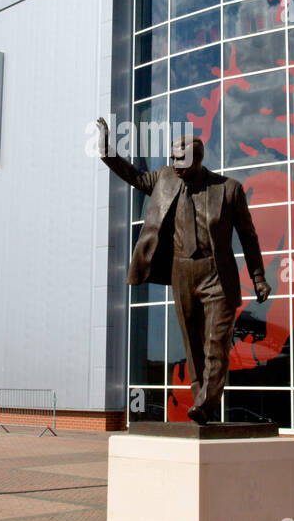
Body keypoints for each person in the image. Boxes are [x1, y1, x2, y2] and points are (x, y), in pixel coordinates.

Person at [97, 118, 270, 423]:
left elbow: (249, 236)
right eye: (172, 158)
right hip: (182, 272)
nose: (175, 164)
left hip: (217, 274)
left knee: (216, 344)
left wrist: (257, 277)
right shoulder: (165, 179)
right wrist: (107, 151)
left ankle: (204, 402)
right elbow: (136, 177)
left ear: (198, 159)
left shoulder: (229, 190)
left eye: (181, 159)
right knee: (193, 346)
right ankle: (204, 402)